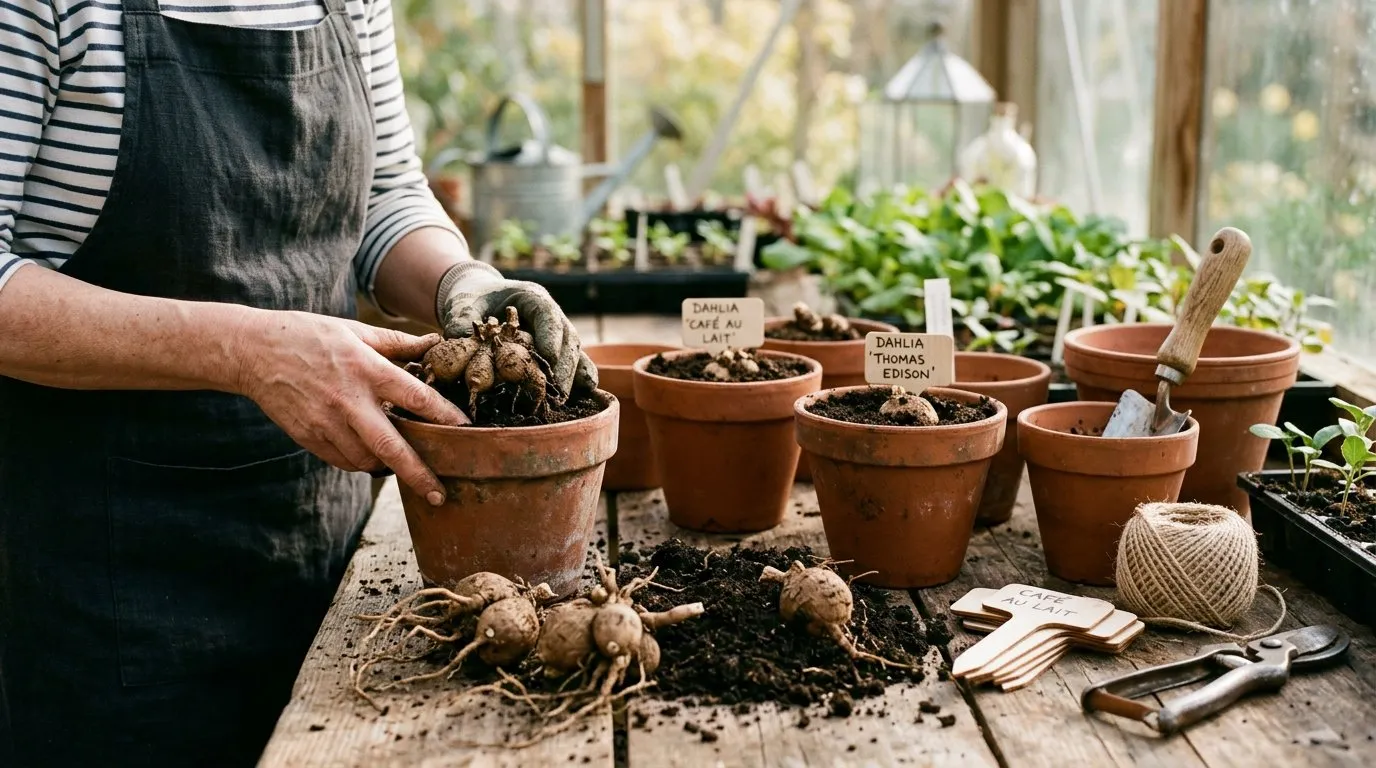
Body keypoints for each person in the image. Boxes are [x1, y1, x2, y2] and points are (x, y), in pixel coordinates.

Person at [0, 1, 594, 764]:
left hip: (324, 542)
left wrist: (462, 281)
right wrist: (245, 350)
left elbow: (386, 194)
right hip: (108, 574)